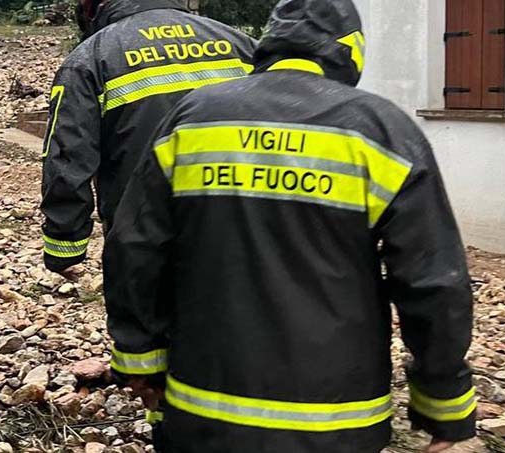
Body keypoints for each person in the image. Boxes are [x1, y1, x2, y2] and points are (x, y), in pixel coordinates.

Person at [101, 0, 477, 451]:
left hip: (203, 410)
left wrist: (139, 361)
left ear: (268, 43)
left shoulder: (193, 116)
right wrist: (444, 404)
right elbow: (433, 281)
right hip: (339, 421)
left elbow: (134, 246)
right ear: (351, 51)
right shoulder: (381, 131)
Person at [39, 0, 258, 275]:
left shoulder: (90, 59)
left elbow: (68, 159)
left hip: (143, 239)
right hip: (244, 232)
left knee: (144, 317)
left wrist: (64, 245)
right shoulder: (243, 45)